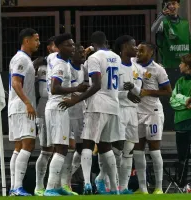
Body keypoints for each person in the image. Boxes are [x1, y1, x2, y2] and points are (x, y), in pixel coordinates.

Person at [59, 31, 123, 195]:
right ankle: (114, 187)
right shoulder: (116, 57)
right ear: (106, 41)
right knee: (106, 146)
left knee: (87, 143)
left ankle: (87, 183)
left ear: (92, 44)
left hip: (97, 105)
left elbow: (96, 85)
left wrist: (76, 99)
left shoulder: (94, 59)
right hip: (114, 105)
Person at [44, 33, 88, 196]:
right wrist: (76, 89)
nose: (72, 48)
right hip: (59, 106)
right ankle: (50, 188)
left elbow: (48, 58)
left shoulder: (53, 58)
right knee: (61, 148)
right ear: (60, 47)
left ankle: (59, 186)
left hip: (57, 107)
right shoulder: (61, 65)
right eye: (69, 45)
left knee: (64, 147)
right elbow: (55, 88)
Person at [133, 42, 172, 194]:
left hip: (153, 113)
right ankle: (142, 188)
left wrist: (147, 92)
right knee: (138, 150)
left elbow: (168, 91)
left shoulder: (158, 69)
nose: (138, 53)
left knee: (155, 150)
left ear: (150, 53)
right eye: (137, 50)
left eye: (142, 51)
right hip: (136, 112)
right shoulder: (132, 64)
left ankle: (159, 188)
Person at [8, 28, 40, 196]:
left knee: (19, 147)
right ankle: (17, 187)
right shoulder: (21, 59)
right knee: (28, 144)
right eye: (36, 39)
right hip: (22, 108)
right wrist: (28, 103)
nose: (38, 43)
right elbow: (16, 83)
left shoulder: (23, 59)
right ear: (26, 41)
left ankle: (15, 187)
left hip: (16, 107)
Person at [112, 35, 142, 194]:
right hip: (119, 110)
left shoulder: (136, 68)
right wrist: (125, 94)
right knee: (116, 149)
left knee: (129, 150)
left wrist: (133, 89)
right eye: (133, 45)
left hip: (133, 112)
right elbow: (109, 91)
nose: (136, 48)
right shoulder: (115, 65)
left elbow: (139, 91)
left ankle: (123, 187)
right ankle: (112, 184)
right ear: (124, 47)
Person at [59, 43, 88, 195]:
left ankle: (67, 178)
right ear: (72, 53)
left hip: (81, 112)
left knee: (82, 148)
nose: (83, 54)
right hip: (68, 113)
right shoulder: (67, 68)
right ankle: (63, 183)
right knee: (68, 148)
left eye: (84, 51)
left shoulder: (84, 68)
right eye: (80, 52)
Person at [34, 36, 59, 196]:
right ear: (50, 47)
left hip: (60, 110)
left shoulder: (64, 63)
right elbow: (43, 92)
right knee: (47, 150)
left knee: (61, 150)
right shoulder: (42, 66)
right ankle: (39, 186)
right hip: (44, 109)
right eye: (57, 46)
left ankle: (57, 185)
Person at [170, 54, 191, 187]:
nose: (179, 65)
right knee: (182, 157)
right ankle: (182, 185)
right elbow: (172, 100)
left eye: (181, 63)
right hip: (181, 123)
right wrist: (186, 102)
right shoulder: (179, 81)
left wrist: (181, 100)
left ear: (188, 66)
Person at [151, 0, 190, 69]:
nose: (171, 6)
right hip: (169, 67)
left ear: (178, 5)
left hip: (186, 66)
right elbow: (153, 30)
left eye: (173, 3)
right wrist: (162, 15)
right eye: (169, 4)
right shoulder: (163, 22)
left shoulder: (186, 23)